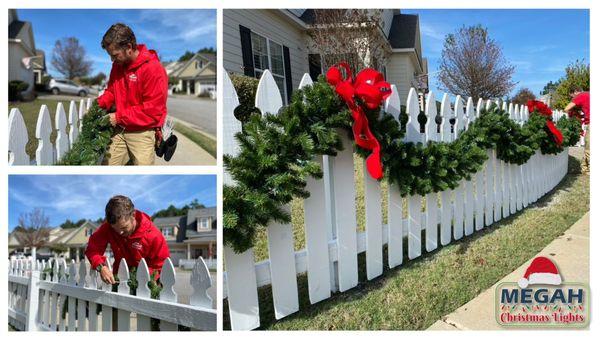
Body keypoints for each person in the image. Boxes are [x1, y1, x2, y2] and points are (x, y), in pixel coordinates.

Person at [97, 23, 168, 165]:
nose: (112, 60)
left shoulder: (153, 69)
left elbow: (152, 111)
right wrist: (97, 104)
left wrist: (117, 117)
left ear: (129, 47)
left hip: (142, 131)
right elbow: (111, 91)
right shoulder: (117, 66)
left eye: (115, 55)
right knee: (108, 166)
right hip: (121, 128)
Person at [85, 195, 170, 285]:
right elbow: (92, 249)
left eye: (124, 227)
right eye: (115, 229)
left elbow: (162, 266)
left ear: (133, 215)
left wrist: (139, 279)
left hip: (146, 285)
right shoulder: (108, 227)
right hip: (119, 282)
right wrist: (101, 267)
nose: (120, 233)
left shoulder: (153, 235)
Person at [564, 88, 590, 173]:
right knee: (588, 146)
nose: (573, 99)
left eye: (572, 97)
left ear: (575, 92)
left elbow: (566, 108)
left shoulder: (581, 95)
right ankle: (585, 169)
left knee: (589, 149)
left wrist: (575, 115)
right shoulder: (588, 94)